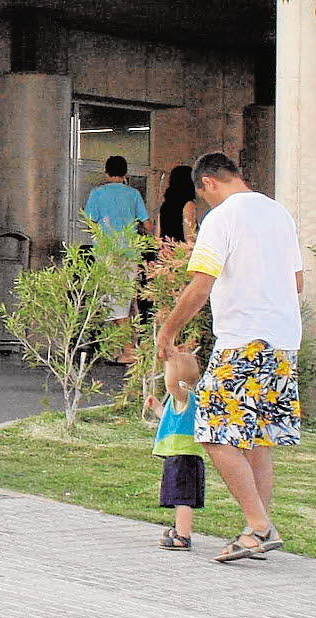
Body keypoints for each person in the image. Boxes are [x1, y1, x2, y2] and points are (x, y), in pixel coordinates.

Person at [156, 152, 303, 564]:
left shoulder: (221, 219)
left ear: (207, 184)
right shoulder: (279, 215)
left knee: (213, 432)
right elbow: (297, 281)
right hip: (283, 341)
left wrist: (168, 332)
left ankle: (259, 526)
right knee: (256, 440)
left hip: (242, 340)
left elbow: (201, 285)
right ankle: (256, 532)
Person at [85, 155, 153, 363]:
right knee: (127, 301)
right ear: (125, 173)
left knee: (115, 302)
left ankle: (128, 350)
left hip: (107, 253)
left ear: (106, 172)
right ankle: (127, 347)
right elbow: (148, 225)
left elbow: (89, 222)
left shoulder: (97, 193)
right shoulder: (133, 194)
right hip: (131, 253)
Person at [145, 351, 207, 552]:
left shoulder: (185, 396)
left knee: (182, 498)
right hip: (182, 455)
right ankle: (179, 528)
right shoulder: (183, 401)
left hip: (183, 456)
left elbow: (171, 385)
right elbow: (171, 420)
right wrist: (157, 408)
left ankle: (183, 536)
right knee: (179, 496)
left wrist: (168, 360)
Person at [157, 164, 198, 243]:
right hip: (180, 252)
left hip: (165, 251)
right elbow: (190, 238)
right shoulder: (189, 205)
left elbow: (158, 236)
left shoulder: (165, 205)